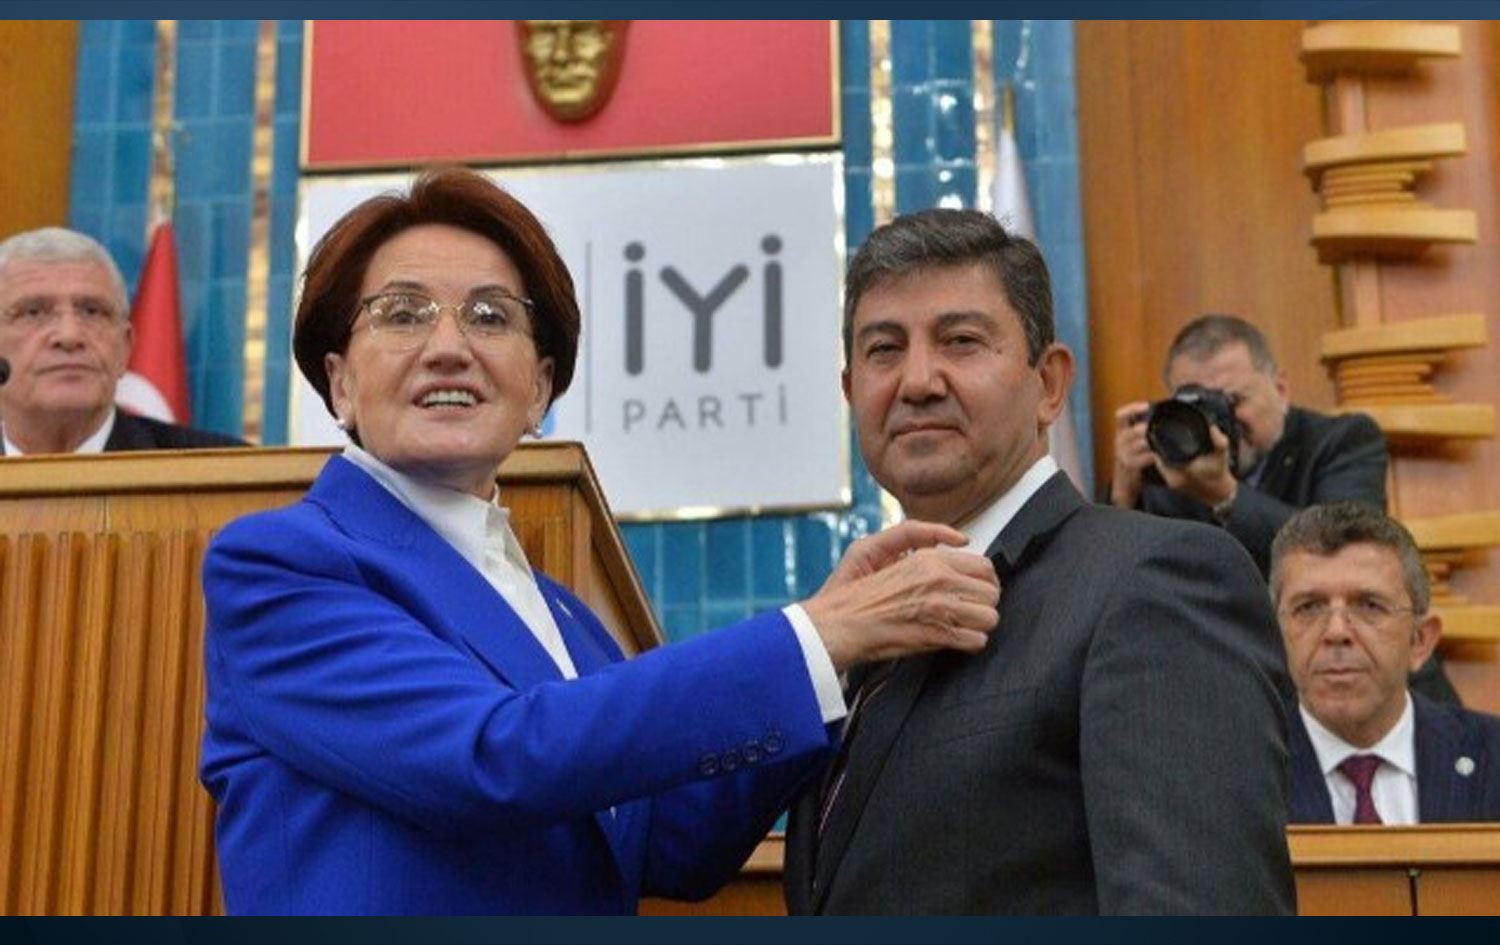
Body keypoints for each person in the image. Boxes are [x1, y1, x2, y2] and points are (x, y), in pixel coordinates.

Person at [198, 167, 1001, 915]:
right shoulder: (279, 564)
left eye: (489, 315)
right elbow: (490, 756)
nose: (448, 346)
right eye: (402, 313)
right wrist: (815, 636)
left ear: (538, 390)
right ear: (340, 383)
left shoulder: (565, 617)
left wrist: (839, 654)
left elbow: (675, 844)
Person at [783, 208, 1295, 915]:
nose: (918, 380)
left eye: (961, 341)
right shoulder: (862, 628)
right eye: (884, 349)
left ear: (1049, 384)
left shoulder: (1157, 581)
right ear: (850, 392)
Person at [1108, 314, 1458, 704]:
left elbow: (1346, 551)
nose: (1218, 425)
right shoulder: (1166, 472)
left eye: (1232, 402)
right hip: (1248, 696)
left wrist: (1225, 495)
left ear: (1281, 389)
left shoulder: (1344, 441)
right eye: (1198, 408)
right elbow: (1123, 599)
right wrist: (1123, 496)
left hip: (1376, 691)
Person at [1272, 502, 1500, 824]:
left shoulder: (1492, 758)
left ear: (1420, 640)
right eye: (1309, 607)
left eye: (1369, 605)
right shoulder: (1239, 770)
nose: (1336, 631)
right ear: (1275, 636)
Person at [0, 227, 244, 455]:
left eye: (92, 311)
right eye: (33, 313)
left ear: (124, 348)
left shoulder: (228, 471)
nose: (69, 336)